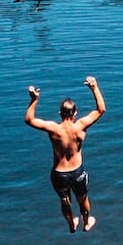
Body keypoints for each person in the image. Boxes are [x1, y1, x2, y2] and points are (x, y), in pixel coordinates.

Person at [25, 76, 105, 232]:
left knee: (65, 200)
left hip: (59, 174)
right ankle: (86, 223)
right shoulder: (81, 126)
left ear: (59, 113)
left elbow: (29, 120)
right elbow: (101, 110)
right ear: (75, 113)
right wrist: (94, 88)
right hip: (77, 173)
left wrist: (34, 99)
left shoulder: (53, 128)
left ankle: (71, 225)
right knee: (82, 200)